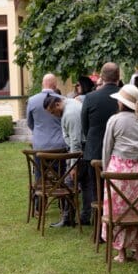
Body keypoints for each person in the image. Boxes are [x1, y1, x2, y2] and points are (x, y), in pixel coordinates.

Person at [101, 84, 138, 262]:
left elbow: (107, 148)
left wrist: (106, 172)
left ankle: (121, 252)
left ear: (121, 103)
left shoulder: (114, 120)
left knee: (118, 210)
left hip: (118, 172)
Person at [81, 63, 122, 226]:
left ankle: (100, 226)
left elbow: (85, 126)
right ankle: (117, 220)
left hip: (95, 149)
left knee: (97, 189)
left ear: (102, 78)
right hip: (119, 150)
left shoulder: (91, 97)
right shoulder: (124, 96)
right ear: (118, 77)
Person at [43, 93, 85, 227]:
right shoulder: (70, 106)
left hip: (77, 153)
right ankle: (80, 217)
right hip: (78, 151)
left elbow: (75, 141)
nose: (53, 115)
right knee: (84, 186)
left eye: (53, 112)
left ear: (57, 104)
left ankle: (69, 218)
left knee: (69, 184)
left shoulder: (70, 114)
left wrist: (73, 164)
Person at [27, 73, 66, 152]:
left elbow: (29, 123)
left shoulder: (31, 100)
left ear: (42, 84)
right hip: (59, 145)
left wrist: (38, 131)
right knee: (59, 165)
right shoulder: (62, 100)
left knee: (39, 165)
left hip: (39, 145)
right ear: (55, 85)